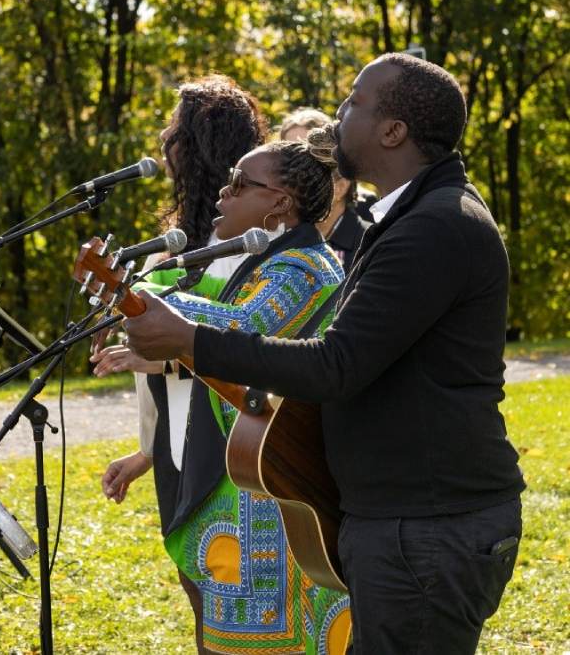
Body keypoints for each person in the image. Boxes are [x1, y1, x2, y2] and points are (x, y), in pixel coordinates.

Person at [123, 53, 526, 654]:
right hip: (404, 520)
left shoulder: (436, 226)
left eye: (354, 102)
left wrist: (189, 340)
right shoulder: (406, 218)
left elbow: (334, 365)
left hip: (428, 526)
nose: (337, 115)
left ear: (394, 132)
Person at [95, 139, 352, 654]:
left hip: (282, 486)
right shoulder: (265, 266)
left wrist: (138, 298)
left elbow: (244, 329)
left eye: (240, 183)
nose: (223, 192)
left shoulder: (305, 268)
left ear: (280, 202)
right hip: (256, 480)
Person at [91, 75, 268, 653]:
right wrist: (145, 451)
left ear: (198, 143)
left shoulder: (248, 238)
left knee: (233, 592)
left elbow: (236, 342)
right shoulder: (174, 242)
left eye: (175, 129)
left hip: (228, 441)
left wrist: (150, 355)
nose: (165, 139)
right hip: (174, 440)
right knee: (197, 585)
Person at [279, 108, 370, 272]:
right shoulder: (274, 235)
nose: (290, 175)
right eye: (286, 157)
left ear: (342, 183)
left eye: (307, 159)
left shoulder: (369, 243)